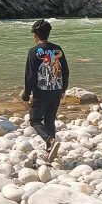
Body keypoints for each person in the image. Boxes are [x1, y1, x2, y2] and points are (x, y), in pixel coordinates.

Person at [21, 19, 69, 162]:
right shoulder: (57, 49)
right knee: (49, 119)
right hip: (56, 90)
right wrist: (63, 89)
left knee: (35, 120)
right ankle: (50, 151)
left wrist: (26, 95)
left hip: (41, 92)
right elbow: (65, 71)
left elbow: (30, 76)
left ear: (36, 35)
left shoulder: (33, 52)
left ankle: (49, 140)